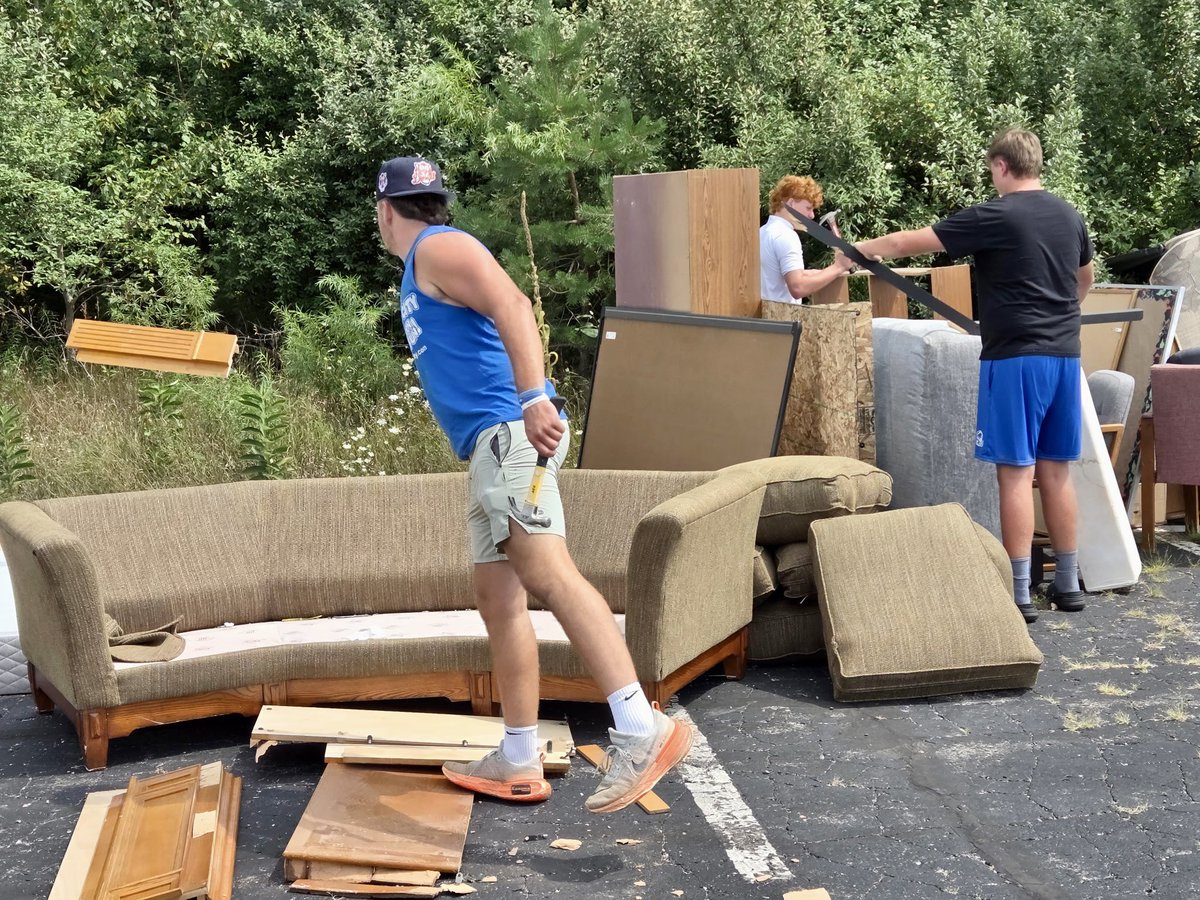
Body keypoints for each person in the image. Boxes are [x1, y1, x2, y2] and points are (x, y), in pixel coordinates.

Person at [374, 155, 694, 812]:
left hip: (510, 434)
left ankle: (642, 727)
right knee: (500, 598)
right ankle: (518, 757)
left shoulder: (440, 248)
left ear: (383, 211)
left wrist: (534, 398)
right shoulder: (429, 259)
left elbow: (513, 304)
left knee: (548, 574)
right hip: (489, 449)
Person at [852, 128, 1094, 624]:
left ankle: (1019, 591)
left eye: (991, 169)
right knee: (1055, 471)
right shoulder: (1069, 215)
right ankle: (1068, 585)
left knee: (1014, 472)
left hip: (1014, 360)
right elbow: (1083, 279)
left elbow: (905, 242)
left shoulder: (996, 214)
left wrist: (857, 250)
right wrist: (1059, 316)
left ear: (1002, 166)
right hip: (1065, 356)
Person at [759, 175, 855, 303]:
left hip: (764, 319)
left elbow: (782, 276)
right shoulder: (786, 236)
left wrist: (823, 273)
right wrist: (839, 267)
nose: (812, 215)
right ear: (791, 203)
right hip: (784, 320)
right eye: (808, 208)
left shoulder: (762, 232)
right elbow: (798, 287)